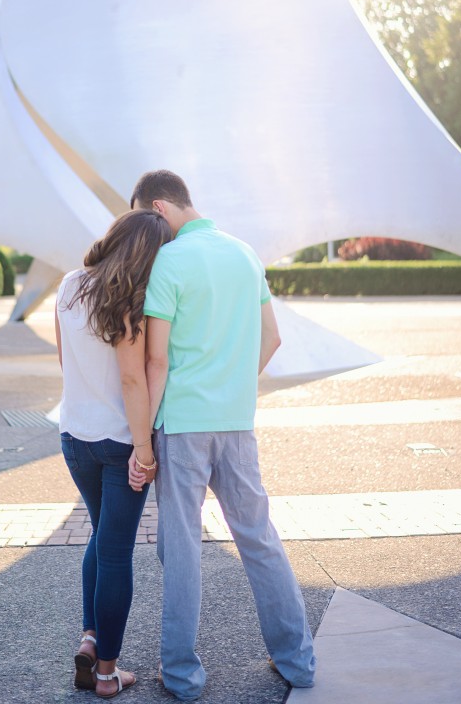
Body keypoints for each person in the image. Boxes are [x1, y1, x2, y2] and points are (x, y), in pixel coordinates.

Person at [129, 170, 316, 701]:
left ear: (160, 208)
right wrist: (233, 386)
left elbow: (158, 359)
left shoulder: (168, 262)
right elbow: (272, 338)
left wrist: (145, 433)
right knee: (259, 538)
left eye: (146, 218)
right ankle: (297, 662)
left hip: (183, 425)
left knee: (182, 547)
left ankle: (183, 676)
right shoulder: (244, 254)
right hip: (237, 423)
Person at [55, 208, 172, 698]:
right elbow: (131, 378)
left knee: (101, 537)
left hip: (73, 436)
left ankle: (90, 639)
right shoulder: (129, 300)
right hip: (118, 441)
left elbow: (64, 359)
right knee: (117, 552)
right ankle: (107, 674)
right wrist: (143, 450)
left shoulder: (68, 285)